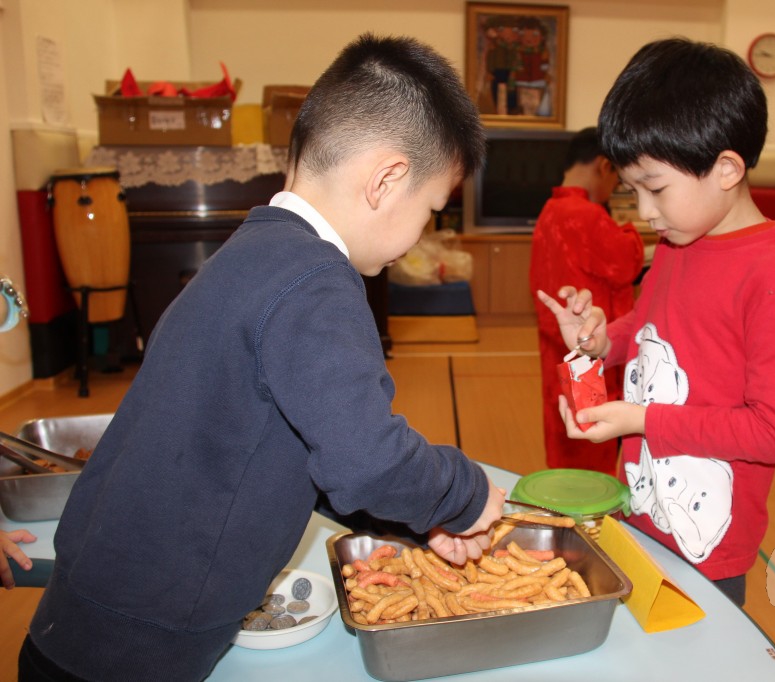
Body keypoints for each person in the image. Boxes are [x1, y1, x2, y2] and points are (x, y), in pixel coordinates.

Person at [20, 34, 506, 681]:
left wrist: (424, 523)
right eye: (430, 210)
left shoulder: (253, 252)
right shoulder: (319, 283)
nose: (422, 233)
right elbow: (369, 459)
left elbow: (306, 452)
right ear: (386, 179)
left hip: (91, 610)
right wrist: (463, 493)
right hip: (137, 642)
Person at [537, 38, 775, 607]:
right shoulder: (677, 246)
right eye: (632, 190)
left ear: (726, 169)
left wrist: (643, 420)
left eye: (655, 188)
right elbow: (648, 331)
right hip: (641, 513)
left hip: (706, 547)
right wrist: (599, 341)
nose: (645, 212)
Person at [529, 127, 644, 475]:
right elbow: (627, 262)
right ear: (604, 165)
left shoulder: (549, 210)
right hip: (590, 355)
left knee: (567, 428)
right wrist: (630, 230)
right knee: (594, 438)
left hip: (558, 348)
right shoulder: (587, 215)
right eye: (617, 179)